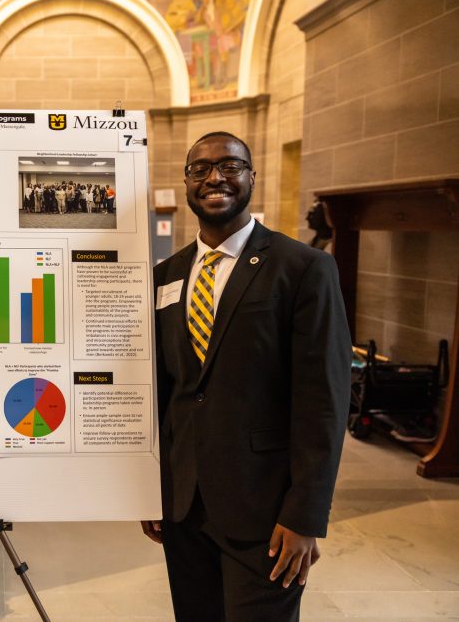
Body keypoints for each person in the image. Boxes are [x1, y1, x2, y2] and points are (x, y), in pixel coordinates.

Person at [143, 132, 350, 621]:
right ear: (188, 182)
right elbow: (163, 393)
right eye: (201, 169)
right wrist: (150, 488)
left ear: (251, 177)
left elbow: (324, 399)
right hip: (184, 508)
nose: (215, 177)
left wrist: (305, 515)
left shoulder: (303, 268)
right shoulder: (165, 276)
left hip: (265, 510)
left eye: (230, 166)